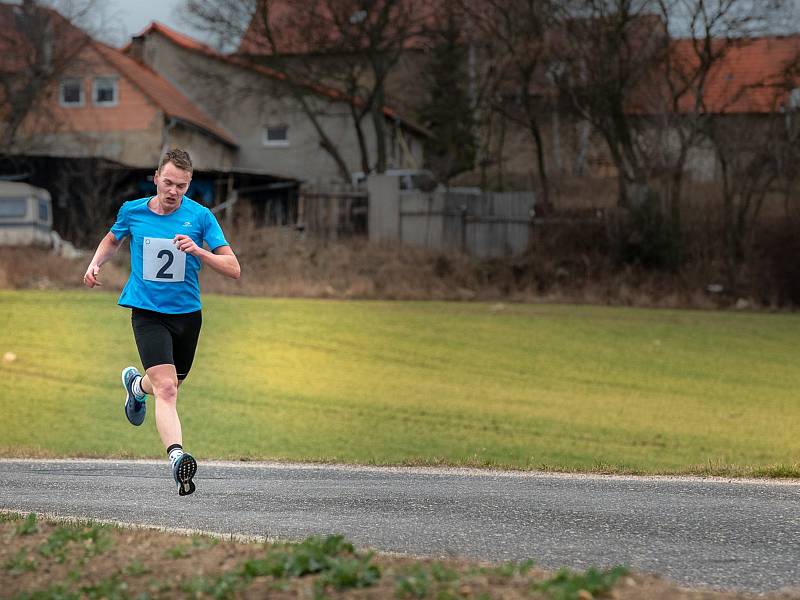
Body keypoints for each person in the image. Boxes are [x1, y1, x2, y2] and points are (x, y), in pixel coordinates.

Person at [83, 148, 240, 496]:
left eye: (181, 186)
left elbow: (234, 269)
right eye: (168, 183)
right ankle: (177, 458)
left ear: (188, 186)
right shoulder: (133, 211)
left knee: (166, 385)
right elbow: (112, 239)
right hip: (147, 311)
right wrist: (96, 264)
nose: (173, 191)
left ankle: (136, 387)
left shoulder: (201, 217)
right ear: (156, 178)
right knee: (167, 390)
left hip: (187, 316)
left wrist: (199, 251)